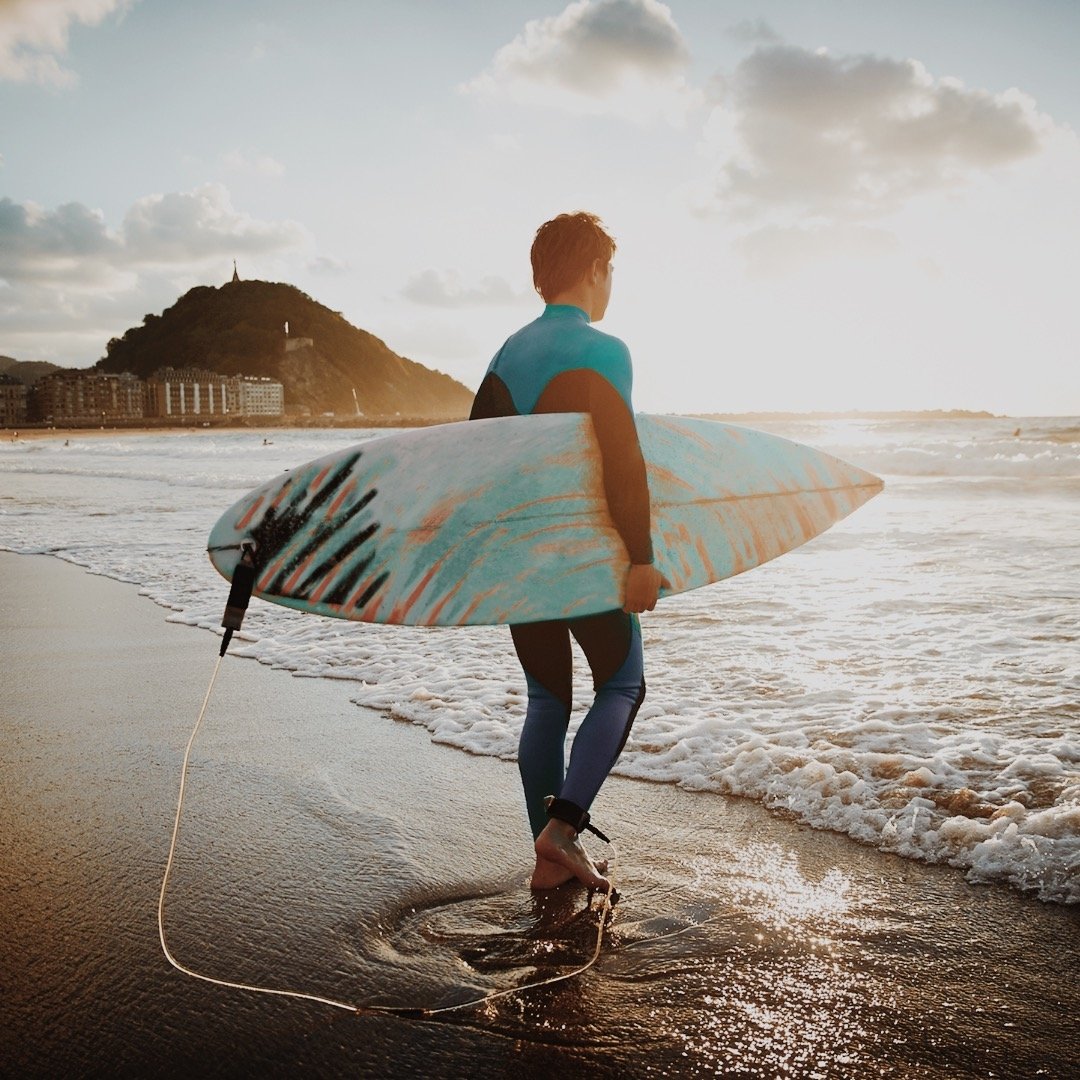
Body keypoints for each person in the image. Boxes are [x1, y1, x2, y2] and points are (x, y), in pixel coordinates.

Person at [470, 211, 665, 892]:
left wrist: (496, 565)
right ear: (595, 269)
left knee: (545, 702)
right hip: (585, 559)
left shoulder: (503, 356)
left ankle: (548, 860)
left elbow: (478, 465)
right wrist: (640, 557)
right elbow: (622, 459)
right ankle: (563, 831)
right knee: (623, 684)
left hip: (523, 562)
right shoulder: (606, 350)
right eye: (611, 271)